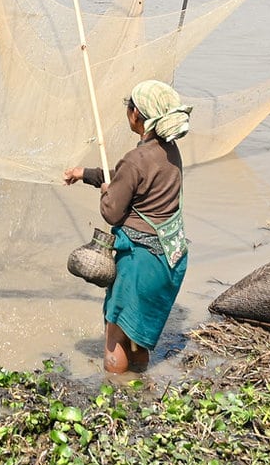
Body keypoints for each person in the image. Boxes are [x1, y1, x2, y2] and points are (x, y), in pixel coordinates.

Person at [62, 80, 191, 374]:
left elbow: (112, 211)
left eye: (129, 106)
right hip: (168, 258)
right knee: (138, 339)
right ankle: (138, 388)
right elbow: (128, 178)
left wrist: (106, 193)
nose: (128, 111)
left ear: (137, 115)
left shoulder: (136, 159)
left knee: (116, 332)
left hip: (138, 261)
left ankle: (115, 395)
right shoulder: (169, 151)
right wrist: (86, 174)